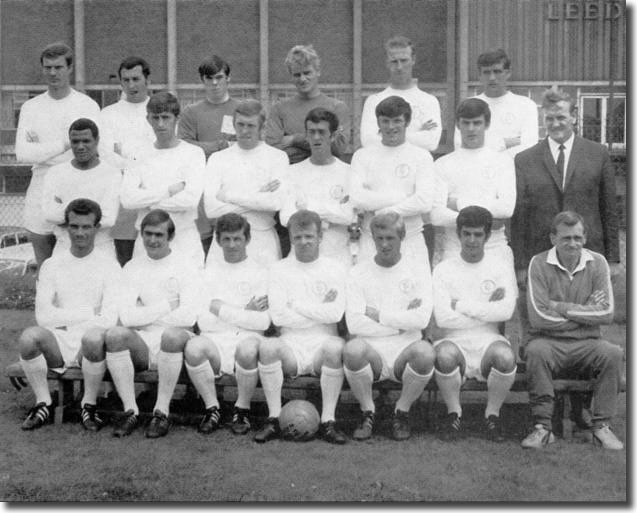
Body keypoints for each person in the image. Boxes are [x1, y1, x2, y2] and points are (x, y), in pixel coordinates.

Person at [511, 89, 619, 423]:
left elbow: (609, 208)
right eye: (550, 118)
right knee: (541, 333)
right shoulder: (525, 158)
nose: (556, 123)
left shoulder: (597, 154)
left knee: (585, 330)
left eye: (561, 117)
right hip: (540, 259)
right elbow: (519, 215)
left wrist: (612, 258)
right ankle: (548, 410)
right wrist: (518, 264)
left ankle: (583, 408)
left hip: (583, 255)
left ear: (574, 116)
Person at [520, 211, 623, 450]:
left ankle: (601, 427)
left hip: (587, 344)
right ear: (553, 238)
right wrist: (585, 311)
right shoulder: (538, 263)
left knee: (613, 353)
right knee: (535, 351)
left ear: (585, 238)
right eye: (566, 238)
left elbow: (606, 313)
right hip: (548, 343)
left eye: (577, 237)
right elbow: (538, 317)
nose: (573, 243)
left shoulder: (598, 262)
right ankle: (543, 428)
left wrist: (561, 307)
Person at [18, 199, 120, 431]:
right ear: (66, 228)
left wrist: (65, 317)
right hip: (59, 341)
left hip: (92, 346)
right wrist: (89, 312)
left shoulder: (109, 265)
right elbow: (43, 317)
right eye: (74, 226)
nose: (80, 233)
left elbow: (108, 319)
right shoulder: (52, 265)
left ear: (96, 228)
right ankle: (44, 402)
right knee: (29, 337)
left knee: (93, 337)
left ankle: (89, 404)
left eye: (86, 227)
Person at [104, 210, 200, 438]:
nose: (153, 240)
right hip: (143, 341)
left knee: (171, 335)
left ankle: (161, 411)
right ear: (141, 234)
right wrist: (167, 306)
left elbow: (189, 316)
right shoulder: (133, 267)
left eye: (159, 234)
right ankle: (131, 410)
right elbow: (126, 317)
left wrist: (144, 313)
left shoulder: (186, 266)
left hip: (178, 341)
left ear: (170, 237)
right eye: (148, 234)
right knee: (116, 334)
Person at [254, 210, 347, 444]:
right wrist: (318, 308)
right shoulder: (279, 270)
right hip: (291, 345)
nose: (303, 242)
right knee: (267, 348)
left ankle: (328, 421)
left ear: (320, 237)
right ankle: (274, 418)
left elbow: (335, 314)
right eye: (298, 237)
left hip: (323, 345)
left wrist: (295, 305)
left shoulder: (335, 269)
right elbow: (279, 317)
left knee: (337, 347)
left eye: (309, 236)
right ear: (291, 238)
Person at [344, 212, 435, 441]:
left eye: (390, 238)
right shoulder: (358, 273)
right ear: (372, 239)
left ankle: (401, 411)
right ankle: (368, 411)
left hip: (406, 349)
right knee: (353, 349)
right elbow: (354, 322)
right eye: (379, 238)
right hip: (371, 351)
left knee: (425, 352)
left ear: (402, 237)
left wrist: (378, 315)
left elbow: (422, 319)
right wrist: (398, 323)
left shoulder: (418, 271)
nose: (384, 244)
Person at [432, 206, 517, 442]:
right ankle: (454, 414)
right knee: (444, 356)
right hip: (453, 339)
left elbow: (506, 311)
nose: (471, 240)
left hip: (488, 339)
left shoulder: (500, 268)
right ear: (458, 234)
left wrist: (459, 305)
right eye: (466, 233)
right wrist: (485, 309)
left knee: (506, 357)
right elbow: (442, 318)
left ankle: (492, 415)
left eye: (478, 234)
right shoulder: (443, 270)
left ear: (487, 236)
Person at [15, 42, 101, 268]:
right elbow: (23, 153)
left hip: (77, 184)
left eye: (58, 67)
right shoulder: (31, 107)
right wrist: (65, 143)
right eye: (48, 67)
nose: (53, 73)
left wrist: (41, 150)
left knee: (78, 262)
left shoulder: (87, 105)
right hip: (41, 186)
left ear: (70, 68)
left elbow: (91, 151)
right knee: (44, 265)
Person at [186, 213, 270, 435]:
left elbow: (262, 321)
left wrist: (221, 308)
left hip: (248, 340)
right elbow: (203, 321)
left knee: (249, 348)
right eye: (226, 239)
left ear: (247, 239)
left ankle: (241, 408)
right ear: (218, 240)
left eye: (237, 239)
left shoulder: (261, 272)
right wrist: (245, 311)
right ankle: (212, 408)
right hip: (214, 340)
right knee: (194, 348)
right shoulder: (207, 274)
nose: (232, 245)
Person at [120, 92, 206, 268]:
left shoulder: (193, 154)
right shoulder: (137, 154)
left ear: (177, 118)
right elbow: (128, 200)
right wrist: (167, 191)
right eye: (155, 118)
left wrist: (148, 201)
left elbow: (190, 200)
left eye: (166, 117)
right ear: (148, 119)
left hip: (184, 239)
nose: (160, 124)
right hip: (147, 242)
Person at [350, 96, 435, 266]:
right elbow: (357, 197)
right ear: (378, 122)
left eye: (397, 121)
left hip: (410, 240)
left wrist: (383, 212)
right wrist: (401, 197)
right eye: (385, 121)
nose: (391, 127)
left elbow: (424, 202)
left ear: (407, 122)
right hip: (371, 240)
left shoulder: (421, 156)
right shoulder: (362, 156)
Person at [204, 99, 288, 267]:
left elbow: (275, 202)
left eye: (250, 126)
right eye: (240, 124)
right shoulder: (218, 159)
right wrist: (258, 197)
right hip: (224, 241)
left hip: (262, 240)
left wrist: (228, 196)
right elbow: (211, 209)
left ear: (262, 128)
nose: (244, 130)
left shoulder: (278, 157)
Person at [431, 98, 515, 265]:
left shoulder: (502, 161)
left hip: (494, 249)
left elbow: (506, 208)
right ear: (457, 124)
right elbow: (436, 216)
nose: (471, 129)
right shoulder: (442, 164)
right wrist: (488, 220)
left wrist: (459, 203)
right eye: (466, 123)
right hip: (454, 250)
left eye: (477, 123)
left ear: (487, 124)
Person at [178, 55, 239, 257]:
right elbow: (185, 147)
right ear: (202, 80)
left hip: (232, 185)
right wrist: (220, 145)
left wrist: (205, 148)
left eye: (219, 77)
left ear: (228, 78)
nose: (214, 83)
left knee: (232, 242)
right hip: (201, 187)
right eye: (209, 78)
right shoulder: (191, 112)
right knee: (204, 246)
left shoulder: (241, 110)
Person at [99, 56, 156, 266]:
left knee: (150, 262)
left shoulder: (159, 111)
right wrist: (136, 164)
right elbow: (107, 155)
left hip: (152, 197)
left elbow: (160, 155)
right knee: (124, 262)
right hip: (121, 201)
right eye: (126, 80)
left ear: (147, 79)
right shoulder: (108, 115)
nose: (131, 85)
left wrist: (126, 154)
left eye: (136, 78)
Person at [280, 107, 356, 264]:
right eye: (311, 132)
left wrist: (306, 211)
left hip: (339, 257)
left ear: (333, 135)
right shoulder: (292, 172)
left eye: (321, 132)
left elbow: (349, 217)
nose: (316, 137)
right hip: (301, 258)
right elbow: (286, 217)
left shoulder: (349, 172)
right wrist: (330, 216)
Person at [42, 118, 121, 259]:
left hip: (101, 247)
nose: (80, 147)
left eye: (86, 141)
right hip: (64, 247)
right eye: (75, 142)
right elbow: (49, 214)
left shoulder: (111, 173)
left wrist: (66, 213)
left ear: (96, 141)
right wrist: (92, 213)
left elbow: (109, 219)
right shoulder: (55, 173)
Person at [265, 44, 350, 164]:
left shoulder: (336, 108)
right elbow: (273, 151)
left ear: (318, 72)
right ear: (291, 77)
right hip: (291, 175)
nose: (302, 79)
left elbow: (337, 149)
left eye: (307, 73)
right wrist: (318, 144)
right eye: (297, 75)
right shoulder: (279, 109)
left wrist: (294, 139)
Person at [360, 36, 441, 152]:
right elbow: (367, 141)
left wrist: (384, 134)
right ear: (387, 63)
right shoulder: (373, 101)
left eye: (404, 60)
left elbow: (431, 143)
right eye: (394, 61)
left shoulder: (429, 101)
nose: (399, 67)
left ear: (413, 60)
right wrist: (417, 133)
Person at [453, 48, 538, 157]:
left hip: (513, 171)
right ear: (480, 75)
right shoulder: (469, 105)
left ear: (508, 73)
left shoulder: (525, 105)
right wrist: (507, 142)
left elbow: (530, 145)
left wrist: (485, 144)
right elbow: (460, 145)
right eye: (487, 72)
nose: (492, 78)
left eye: (497, 72)